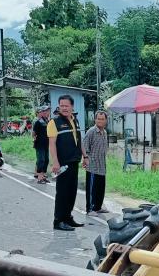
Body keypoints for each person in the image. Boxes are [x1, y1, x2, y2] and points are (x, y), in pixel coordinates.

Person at [47, 95, 84, 231]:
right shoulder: (54, 122)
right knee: (62, 192)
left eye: (66, 105)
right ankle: (59, 220)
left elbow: (79, 140)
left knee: (71, 191)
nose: (64, 108)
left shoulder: (75, 120)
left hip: (74, 160)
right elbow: (52, 144)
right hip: (62, 163)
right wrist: (55, 162)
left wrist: (85, 156)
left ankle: (68, 217)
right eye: (61, 105)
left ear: (72, 106)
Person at [82, 110, 110, 215]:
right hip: (92, 166)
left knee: (100, 188)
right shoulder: (91, 131)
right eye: (98, 119)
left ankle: (98, 207)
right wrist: (85, 158)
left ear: (106, 120)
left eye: (102, 119)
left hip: (102, 165)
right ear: (95, 119)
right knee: (92, 188)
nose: (100, 121)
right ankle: (90, 209)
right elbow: (84, 146)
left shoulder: (105, 132)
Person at [32, 105, 50, 184]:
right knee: (41, 160)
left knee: (46, 160)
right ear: (42, 113)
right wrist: (36, 139)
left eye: (48, 111)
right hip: (40, 145)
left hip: (46, 144)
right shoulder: (38, 122)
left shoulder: (48, 121)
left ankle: (43, 176)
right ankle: (39, 178)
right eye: (45, 111)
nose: (47, 113)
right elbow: (33, 133)